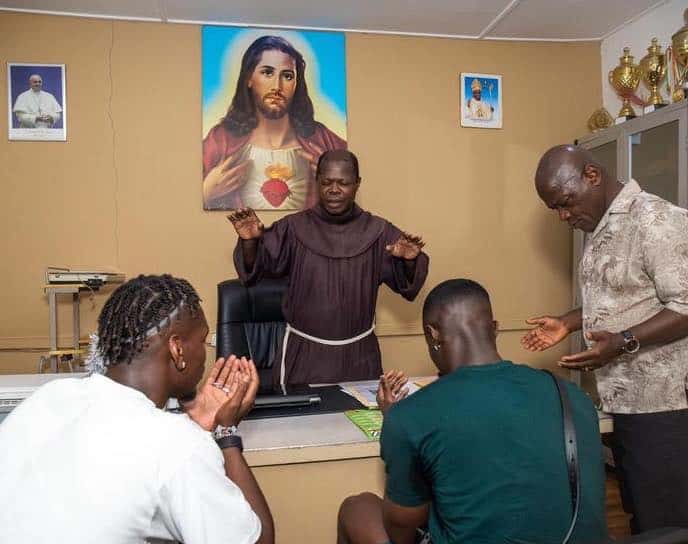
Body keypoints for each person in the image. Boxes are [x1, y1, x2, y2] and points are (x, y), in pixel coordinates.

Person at [0, 274, 274, 544]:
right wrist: (226, 434)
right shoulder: (175, 444)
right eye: (202, 341)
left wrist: (196, 428)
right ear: (177, 349)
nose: (205, 353)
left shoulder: (50, 396)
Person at [338, 278, 608, 544]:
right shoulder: (572, 395)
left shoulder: (411, 415)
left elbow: (400, 531)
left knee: (357, 508)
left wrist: (397, 420)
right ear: (495, 329)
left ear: (433, 334)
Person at [522, 144, 688, 532]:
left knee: (668, 525)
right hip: (624, 402)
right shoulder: (604, 225)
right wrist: (568, 322)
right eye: (556, 210)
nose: (564, 216)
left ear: (592, 176)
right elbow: (626, 296)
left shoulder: (656, 220)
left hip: (664, 408)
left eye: (565, 203)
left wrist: (623, 341)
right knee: (641, 515)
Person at [228, 149, 429, 386]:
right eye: (327, 182)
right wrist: (250, 243)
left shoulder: (378, 231)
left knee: (361, 420)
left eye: (343, 183)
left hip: (359, 357)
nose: (334, 189)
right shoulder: (293, 228)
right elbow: (256, 270)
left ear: (357, 184)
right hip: (305, 357)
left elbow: (407, 286)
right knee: (302, 422)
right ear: (317, 183)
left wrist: (408, 261)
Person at [203, 35, 346, 211]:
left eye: (287, 76)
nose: (277, 86)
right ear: (249, 78)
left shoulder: (322, 141)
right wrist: (207, 191)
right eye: (267, 72)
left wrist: (333, 179)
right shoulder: (221, 140)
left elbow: (353, 187)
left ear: (296, 84)